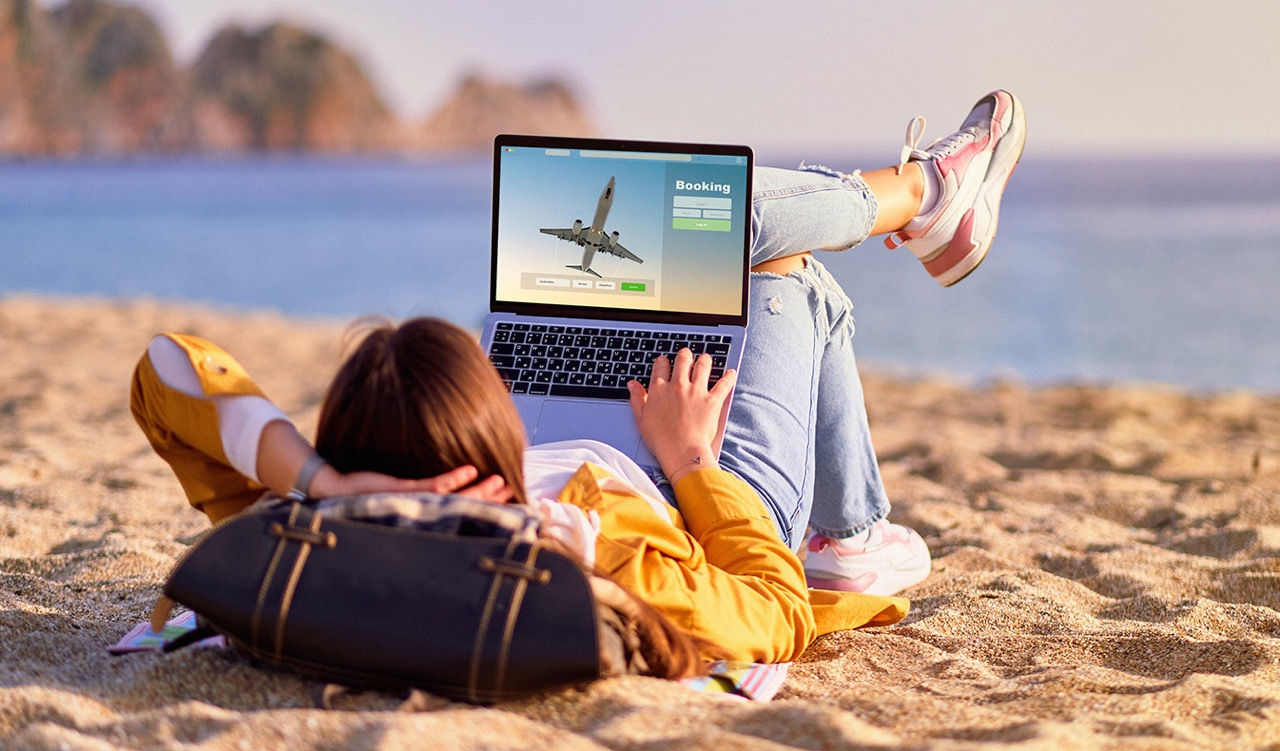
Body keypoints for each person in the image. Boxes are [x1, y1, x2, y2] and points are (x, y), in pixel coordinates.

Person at [131, 90, 1025, 672]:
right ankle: (925, 196)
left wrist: (327, 483)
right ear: (483, 459)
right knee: (773, 259)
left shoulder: (319, 525)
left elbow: (165, 367)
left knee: (697, 251)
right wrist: (690, 461)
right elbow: (775, 611)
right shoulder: (589, 548)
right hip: (700, 484)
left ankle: (925, 201)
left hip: (545, 448)